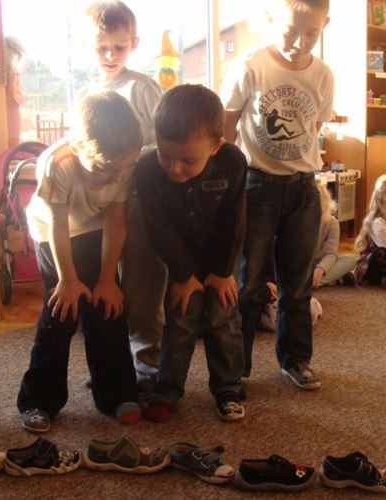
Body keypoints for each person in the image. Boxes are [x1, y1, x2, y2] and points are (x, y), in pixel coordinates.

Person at [222, 0, 333, 390]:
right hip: (257, 186)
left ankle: (295, 359)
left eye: (311, 33)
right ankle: (234, 369)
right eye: (290, 32)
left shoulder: (323, 75)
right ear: (271, 20)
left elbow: (313, 127)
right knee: (247, 283)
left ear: (325, 25)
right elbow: (227, 126)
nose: (300, 42)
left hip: (303, 188)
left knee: (297, 283)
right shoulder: (251, 65)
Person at [17, 91, 142, 432]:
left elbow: (116, 221)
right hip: (53, 234)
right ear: (77, 147)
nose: (116, 177)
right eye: (105, 170)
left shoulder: (122, 162)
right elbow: (57, 226)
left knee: (107, 306)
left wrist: (106, 279)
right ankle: (39, 399)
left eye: (123, 168)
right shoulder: (57, 164)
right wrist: (68, 281)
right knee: (62, 311)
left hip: (96, 228)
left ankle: (116, 392)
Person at [135, 85, 247, 423]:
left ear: (216, 147)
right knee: (180, 319)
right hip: (178, 255)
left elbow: (234, 220)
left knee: (223, 317)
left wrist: (222, 272)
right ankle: (167, 390)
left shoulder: (233, 162)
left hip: (221, 257)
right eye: (166, 155)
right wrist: (183, 275)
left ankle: (228, 388)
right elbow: (158, 227)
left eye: (188, 160)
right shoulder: (146, 169)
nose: (174, 168)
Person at [81, 1, 165, 391]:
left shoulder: (142, 88)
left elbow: (167, 141)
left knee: (142, 287)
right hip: (98, 208)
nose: (111, 56)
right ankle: (112, 365)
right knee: (103, 284)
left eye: (119, 47)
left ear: (134, 43)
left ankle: (148, 366)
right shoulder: (87, 94)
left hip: (139, 205)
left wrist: (133, 156)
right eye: (102, 48)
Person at [313, 183, 357, 288]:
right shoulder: (296, 222)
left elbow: (331, 253)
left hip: (321, 262)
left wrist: (321, 269)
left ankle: (312, 282)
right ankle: (330, 279)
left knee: (352, 260)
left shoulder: (332, 223)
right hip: (302, 265)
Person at [4, 36, 26, 148]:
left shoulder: (4, 70)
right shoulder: (13, 72)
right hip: (12, 108)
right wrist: (19, 100)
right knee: (13, 141)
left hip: (5, 107)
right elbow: (13, 93)